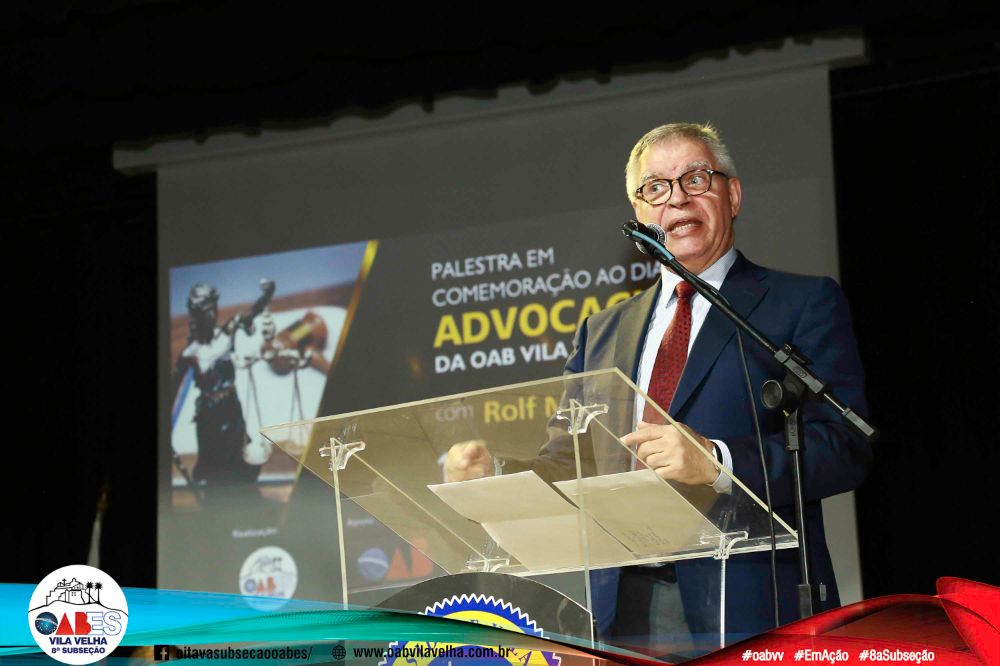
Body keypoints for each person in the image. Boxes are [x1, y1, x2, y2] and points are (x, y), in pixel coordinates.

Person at [446, 123, 871, 646]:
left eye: (696, 179)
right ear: (639, 211)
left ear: (733, 195)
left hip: (751, 603)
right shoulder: (602, 332)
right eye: (656, 187)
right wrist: (495, 477)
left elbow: (844, 445)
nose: (677, 199)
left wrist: (717, 462)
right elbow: (572, 460)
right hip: (624, 608)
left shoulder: (800, 304)